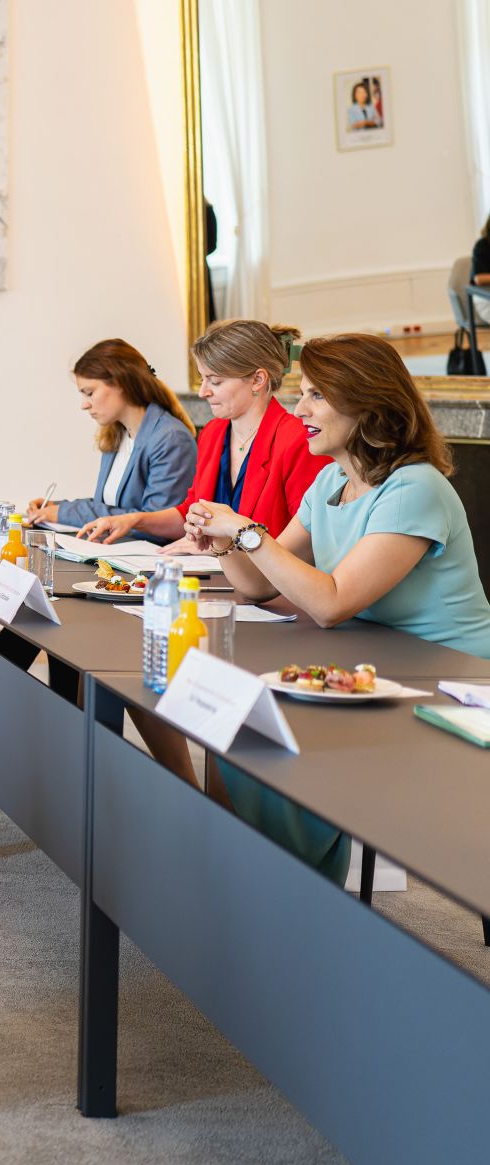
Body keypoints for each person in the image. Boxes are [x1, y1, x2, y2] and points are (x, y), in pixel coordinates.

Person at [183, 333, 490, 883]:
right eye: (302, 394)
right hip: (376, 662)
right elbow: (256, 585)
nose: (299, 409)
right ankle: (250, 878)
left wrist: (247, 532)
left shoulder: (413, 488)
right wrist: (223, 539)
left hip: (449, 676)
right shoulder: (331, 481)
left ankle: (287, 894)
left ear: (366, 404)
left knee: (280, 735)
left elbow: (330, 603)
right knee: (242, 715)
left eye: (316, 396)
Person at [77, 320, 331, 547]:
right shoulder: (214, 432)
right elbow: (189, 511)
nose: (203, 392)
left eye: (215, 381)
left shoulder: (299, 440)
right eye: (202, 380)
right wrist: (133, 520)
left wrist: (217, 552)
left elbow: (306, 543)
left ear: (257, 380)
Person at [25, 339, 197, 535]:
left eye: (89, 393)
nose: (84, 405)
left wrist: (66, 512)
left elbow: (154, 523)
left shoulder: (171, 439)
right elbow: (107, 507)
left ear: (120, 382)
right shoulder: (117, 434)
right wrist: (55, 508)